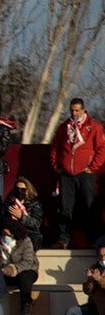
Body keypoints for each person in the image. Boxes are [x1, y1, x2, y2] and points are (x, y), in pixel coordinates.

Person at [50, 98, 105, 248]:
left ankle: (94, 238)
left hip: (85, 172)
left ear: (83, 110)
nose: (74, 113)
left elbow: (101, 148)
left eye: (77, 110)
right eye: (72, 110)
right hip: (66, 173)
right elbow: (56, 147)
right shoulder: (64, 127)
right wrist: (57, 166)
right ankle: (63, 239)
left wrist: (92, 167)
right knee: (65, 206)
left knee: (89, 205)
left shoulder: (94, 127)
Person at [0, 220, 39, 315]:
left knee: (25, 277)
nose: (6, 236)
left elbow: (28, 261)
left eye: (8, 234)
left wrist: (13, 269)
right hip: (3, 271)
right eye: (4, 233)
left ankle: (26, 305)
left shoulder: (25, 241)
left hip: (23, 270)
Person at [68, 243, 105, 315]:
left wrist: (99, 279)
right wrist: (90, 280)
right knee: (72, 313)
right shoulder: (95, 268)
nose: (102, 258)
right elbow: (87, 291)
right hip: (97, 307)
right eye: (100, 256)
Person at [1, 176, 44, 251]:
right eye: (17, 189)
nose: (20, 192)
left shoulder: (35, 204)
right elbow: (2, 220)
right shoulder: (9, 204)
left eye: (23, 190)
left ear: (28, 190)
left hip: (31, 235)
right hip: (13, 235)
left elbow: (37, 223)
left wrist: (21, 216)